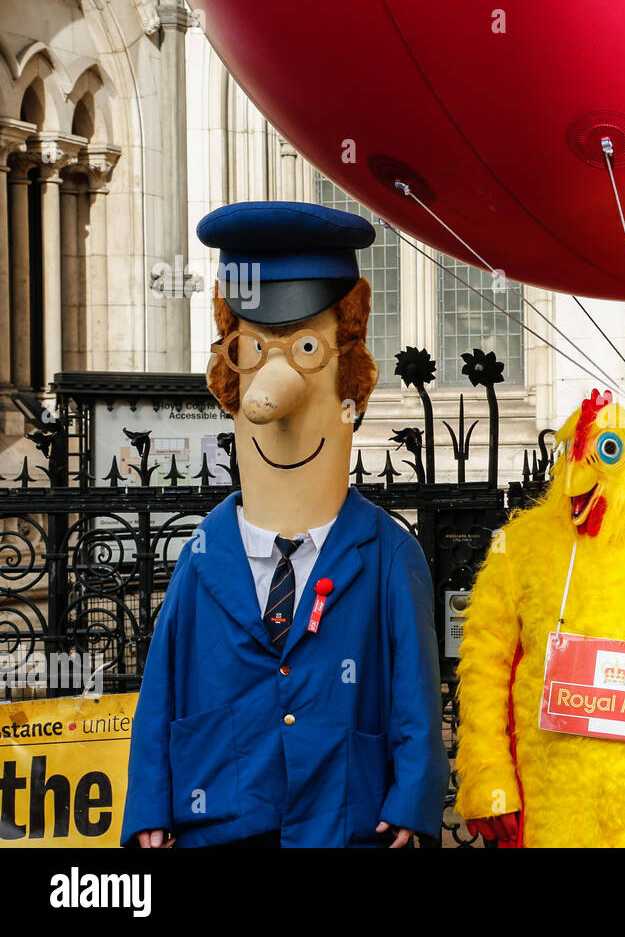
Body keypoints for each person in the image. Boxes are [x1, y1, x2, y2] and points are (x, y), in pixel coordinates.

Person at [122, 202, 448, 847]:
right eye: (254, 348)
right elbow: (160, 687)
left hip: (344, 816)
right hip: (222, 814)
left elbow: (415, 687)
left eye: (305, 347)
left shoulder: (386, 553)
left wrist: (411, 797)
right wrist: (151, 806)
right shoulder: (204, 554)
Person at [454, 391, 625, 847]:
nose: (579, 471)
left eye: (608, 450)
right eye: (571, 451)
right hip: (552, 801)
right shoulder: (523, 546)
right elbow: (484, 664)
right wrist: (488, 775)